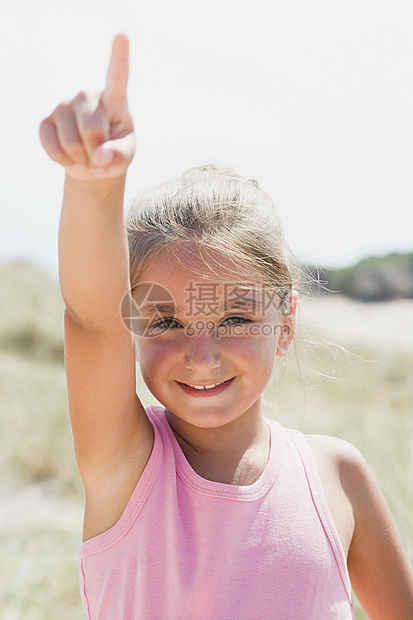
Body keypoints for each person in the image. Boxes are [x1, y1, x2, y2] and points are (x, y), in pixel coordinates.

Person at [39, 34, 413, 620]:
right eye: (166, 321)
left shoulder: (336, 476)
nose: (201, 353)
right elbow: (91, 320)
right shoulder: (128, 467)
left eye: (235, 317)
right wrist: (93, 185)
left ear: (284, 324)